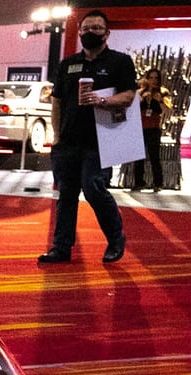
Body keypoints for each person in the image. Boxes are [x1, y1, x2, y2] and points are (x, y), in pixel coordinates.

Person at [38, 9, 135, 265]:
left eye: (96, 28)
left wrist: (103, 101)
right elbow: (57, 101)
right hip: (67, 142)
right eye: (86, 28)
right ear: (79, 32)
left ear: (107, 33)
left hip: (101, 141)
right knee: (66, 195)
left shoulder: (120, 62)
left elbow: (129, 96)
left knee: (93, 188)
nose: (90, 32)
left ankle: (116, 238)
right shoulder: (68, 65)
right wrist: (56, 136)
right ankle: (61, 248)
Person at [130, 68, 166, 192]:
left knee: (154, 156)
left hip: (154, 128)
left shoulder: (163, 93)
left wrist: (157, 100)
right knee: (138, 157)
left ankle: (158, 183)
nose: (154, 80)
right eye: (151, 78)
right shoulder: (140, 92)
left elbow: (166, 109)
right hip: (140, 128)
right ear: (147, 78)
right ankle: (139, 182)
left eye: (156, 78)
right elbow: (132, 106)